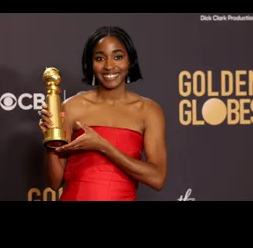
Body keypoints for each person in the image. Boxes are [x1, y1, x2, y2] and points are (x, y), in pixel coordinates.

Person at [39, 26, 167, 201]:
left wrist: (103, 146)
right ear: (91, 64)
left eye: (118, 57)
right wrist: (50, 142)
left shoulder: (149, 110)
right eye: (100, 58)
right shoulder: (71, 107)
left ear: (130, 61)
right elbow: (55, 183)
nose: (109, 65)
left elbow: (157, 178)